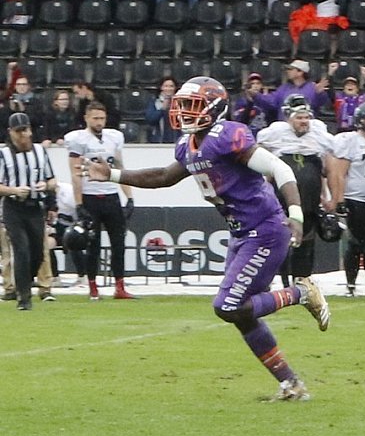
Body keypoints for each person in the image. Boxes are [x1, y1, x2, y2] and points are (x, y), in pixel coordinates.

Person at [83, 78, 330, 398]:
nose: (184, 111)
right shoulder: (188, 145)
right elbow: (163, 176)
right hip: (242, 234)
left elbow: (279, 168)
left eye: (193, 105)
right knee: (242, 315)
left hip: (265, 229)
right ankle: (291, 383)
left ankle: (301, 292)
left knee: (227, 306)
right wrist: (113, 175)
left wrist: (295, 214)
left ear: (214, 108)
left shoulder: (227, 135)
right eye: (183, 105)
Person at [257, 96, 336, 289]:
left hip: (309, 196)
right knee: (281, 239)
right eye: (299, 117)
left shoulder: (319, 133)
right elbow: (260, 153)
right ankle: (281, 281)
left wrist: (327, 195)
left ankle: (302, 282)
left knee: (306, 239)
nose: (304, 121)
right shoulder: (275, 132)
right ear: (289, 118)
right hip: (282, 196)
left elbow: (326, 165)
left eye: (306, 117)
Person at [64, 102, 135, 300]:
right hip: (90, 196)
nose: (99, 122)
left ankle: (119, 287)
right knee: (92, 245)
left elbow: (120, 168)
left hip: (111, 196)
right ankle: (93, 287)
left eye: (102, 118)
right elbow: (75, 174)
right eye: (95, 118)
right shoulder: (78, 140)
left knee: (118, 243)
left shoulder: (114, 137)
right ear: (86, 118)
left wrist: (129, 197)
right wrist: (79, 204)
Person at [328, 102, 365, 297]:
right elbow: (339, 173)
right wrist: (339, 200)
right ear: (359, 120)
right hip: (356, 199)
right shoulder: (350, 140)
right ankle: (351, 285)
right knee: (355, 244)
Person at [1, 112, 57, 311]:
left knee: (37, 253)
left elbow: (52, 180)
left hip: (35, 208)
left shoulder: (40, 152)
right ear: (11, 133)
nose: (24, 135)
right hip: (14, 208)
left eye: (26, 130)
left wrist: (46, 186)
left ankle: (24, 281)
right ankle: (24, 299)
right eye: (19, 131)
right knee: (21, 250)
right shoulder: (4, 154)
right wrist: (14, 190)